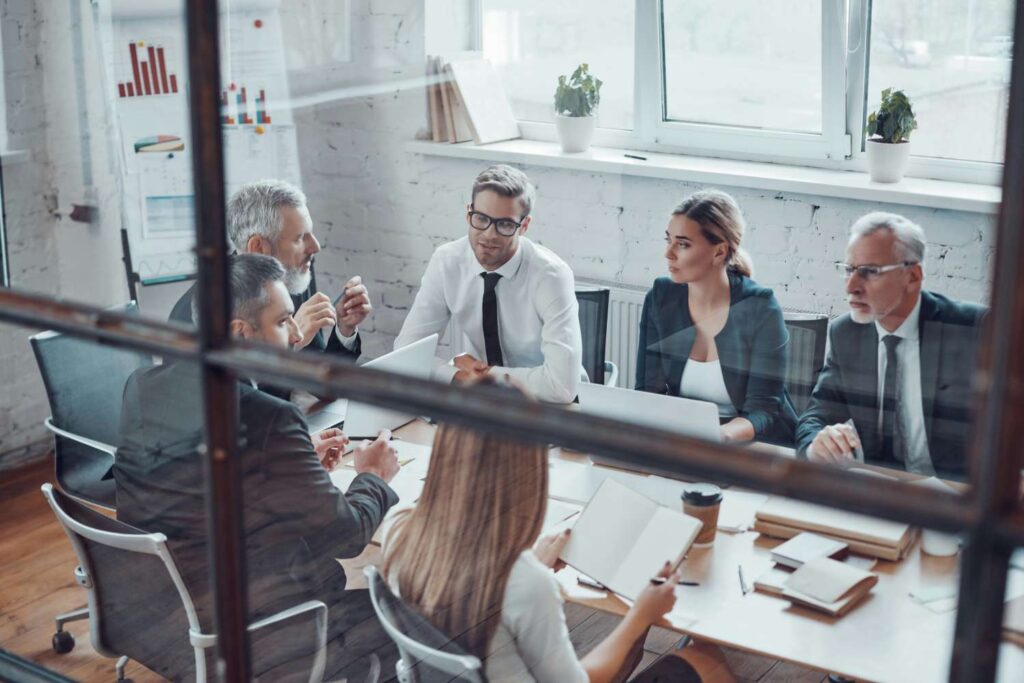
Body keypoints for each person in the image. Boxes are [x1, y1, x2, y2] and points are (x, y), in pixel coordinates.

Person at [116, 254, 400, 680]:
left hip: (168, 613)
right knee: (414, 618)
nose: (297, 333)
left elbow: (199, 488)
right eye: (284, 321)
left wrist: (295, 464)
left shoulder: (143, 387)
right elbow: (348, 537)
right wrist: (371, 477)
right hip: (265, 626)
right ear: (240, 334)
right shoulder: (269, 418)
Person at [381, 380, 718, 683]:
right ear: (528, 476)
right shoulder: (526, 584)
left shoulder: (401, 531)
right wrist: (641, 615)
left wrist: (532, 568)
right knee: (706, 661)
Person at [795, 212, 985, 480]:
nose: (851, 286)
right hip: (880, 496)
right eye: (849, 270)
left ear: (912, 276)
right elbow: (814, 417)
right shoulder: (847, 334)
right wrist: (818, 445)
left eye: (870, 272)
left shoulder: (972, 330)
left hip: (955, 499)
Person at [393, 165, 583, 403]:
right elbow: (405, 354)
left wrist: (485, 377)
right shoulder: (447, 261)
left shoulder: (551, 276)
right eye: (481, 219)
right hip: (480, 401)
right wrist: (456, 376)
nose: (489, 235)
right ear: (468, 213)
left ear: (524, 226)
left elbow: (561, 387)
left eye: (504, 224)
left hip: (546, 405)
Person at [636, 190, 797, 444]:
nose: (668, 253)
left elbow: (763, 410)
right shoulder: (660, 297)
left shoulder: (761, 308)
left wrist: (718, 436)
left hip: (755, 446)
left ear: (719, 252)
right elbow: (648, 392)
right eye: (668, 240)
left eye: (683, 244)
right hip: (688, 442)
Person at [170, 179, 371, 360]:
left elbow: (318, 380)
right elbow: (241, 397)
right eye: (300, 238)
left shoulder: (293, 274)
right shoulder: (192, 314)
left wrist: (344, 330)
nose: (315, 247)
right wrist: (291, 344)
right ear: (258, 248)